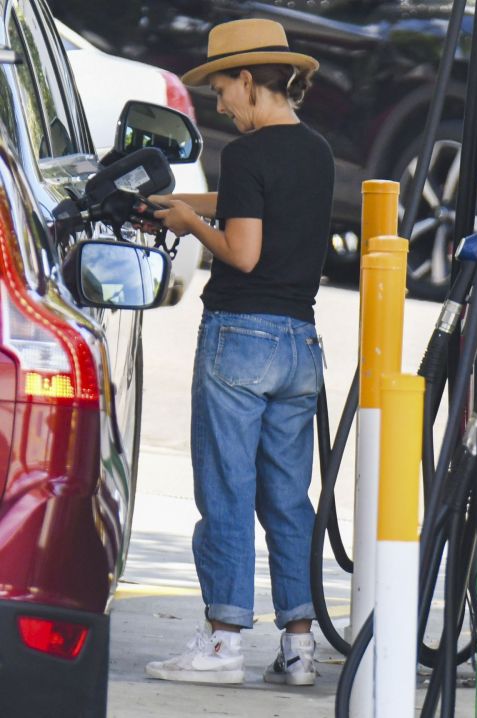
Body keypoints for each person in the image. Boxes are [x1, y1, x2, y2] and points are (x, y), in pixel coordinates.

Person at [144, 17, 335, 687]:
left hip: (240, 338)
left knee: (226, 491)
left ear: (250, 81)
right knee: (288, 499)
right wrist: (195, 204)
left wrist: (195, 223)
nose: (220, 102)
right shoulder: (318, 152)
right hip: (299, 345)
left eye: (223, 88)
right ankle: (299, 645)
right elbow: (273, 218)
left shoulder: (247, 155)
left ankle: (223, 643)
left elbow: (245, 252)